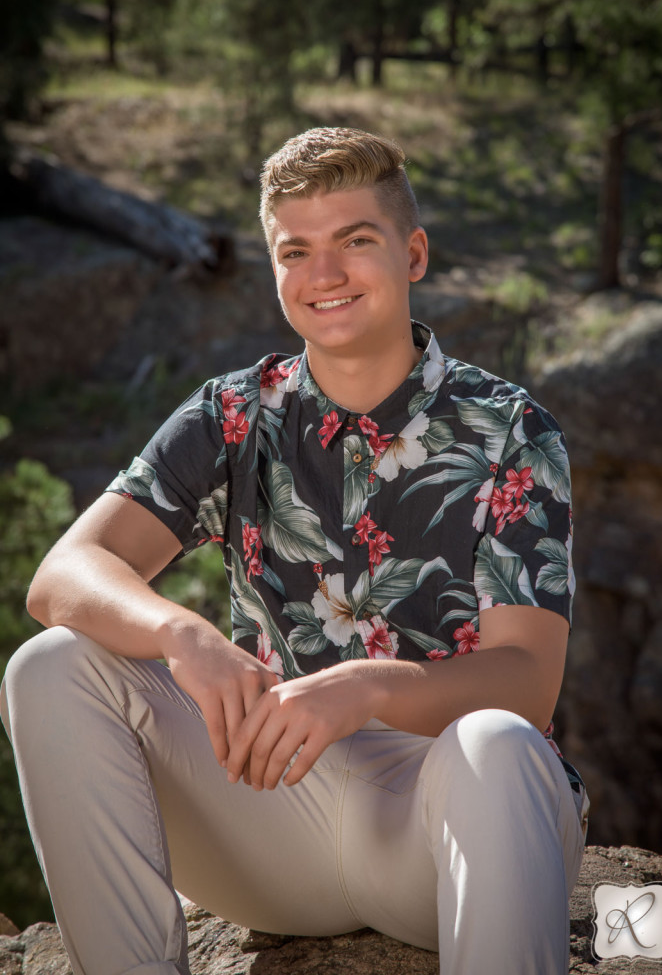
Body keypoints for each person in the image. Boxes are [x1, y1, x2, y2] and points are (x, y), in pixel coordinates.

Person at [1, 127, 588, 975]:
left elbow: (527, 685)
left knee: (498, 741)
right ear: (275, 270)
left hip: (442, 817)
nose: (326, 275)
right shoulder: (233, 416)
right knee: (50, 665)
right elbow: (64, 573)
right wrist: (182, 634)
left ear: (413, 253)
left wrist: (369, 687)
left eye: (356, 241)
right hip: (272, 812)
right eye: (296, 251)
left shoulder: (511, 430)